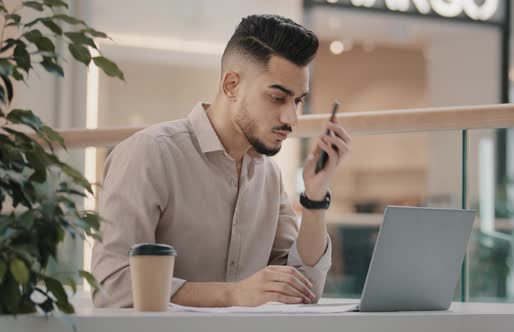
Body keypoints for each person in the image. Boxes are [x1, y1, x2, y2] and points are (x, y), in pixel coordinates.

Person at [91, 14, 352, 308]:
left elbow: (304, 291)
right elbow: (112, 285)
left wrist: (315, 198)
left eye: (298, 101)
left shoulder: (269, 176)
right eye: (278, 98)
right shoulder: (149, 154)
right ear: (231, 85)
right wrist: (233, 294)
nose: (291, 118)